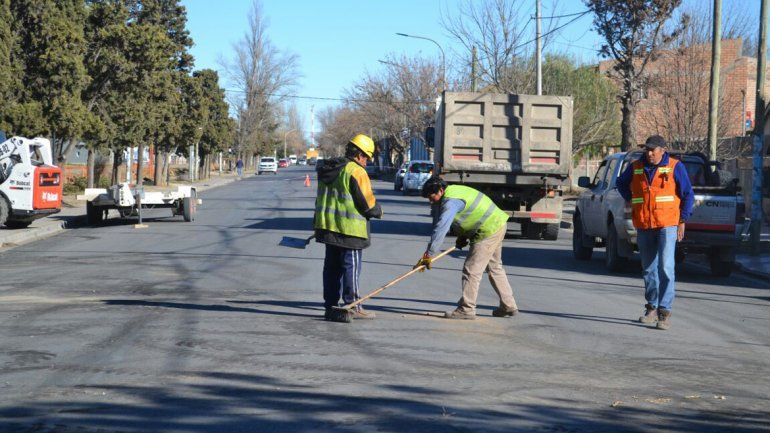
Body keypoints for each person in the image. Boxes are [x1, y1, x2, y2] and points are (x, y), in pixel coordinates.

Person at [617, 135, 694, 330]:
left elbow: (687, 194)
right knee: (649, 268)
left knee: (666, 267)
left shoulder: (676, 167)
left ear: (663, 150)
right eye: (647, 150)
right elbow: (621, 183)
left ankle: (664, 312)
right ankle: (651, 307)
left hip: (667, 224)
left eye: (654, 150)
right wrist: (632, 199)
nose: (650, 153)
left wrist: (682, 220)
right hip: (644, 224)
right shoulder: (636, 167)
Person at [415, 177, 518, 320]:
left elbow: (441, 229)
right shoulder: (454, 191)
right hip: (498, 223)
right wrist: (462, 238)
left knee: (471, 270)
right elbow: (469, 214)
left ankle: (467, 309)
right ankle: (509, 305)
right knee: (495, 267)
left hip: (487, 230)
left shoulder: (450, 202)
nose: (431, 201)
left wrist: (428, 254)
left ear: (440, 190)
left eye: (432, 197)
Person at [314, 134, 383, 320]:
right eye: (366, 157)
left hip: (329, 228)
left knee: (331, 269)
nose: (367, 162)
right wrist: (378, 211)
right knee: (350, 268)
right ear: (359, 154)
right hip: (350, 231)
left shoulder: (327, 169)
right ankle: (353, 305)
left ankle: (330, 305)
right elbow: (367, 205)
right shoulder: (356, 172)